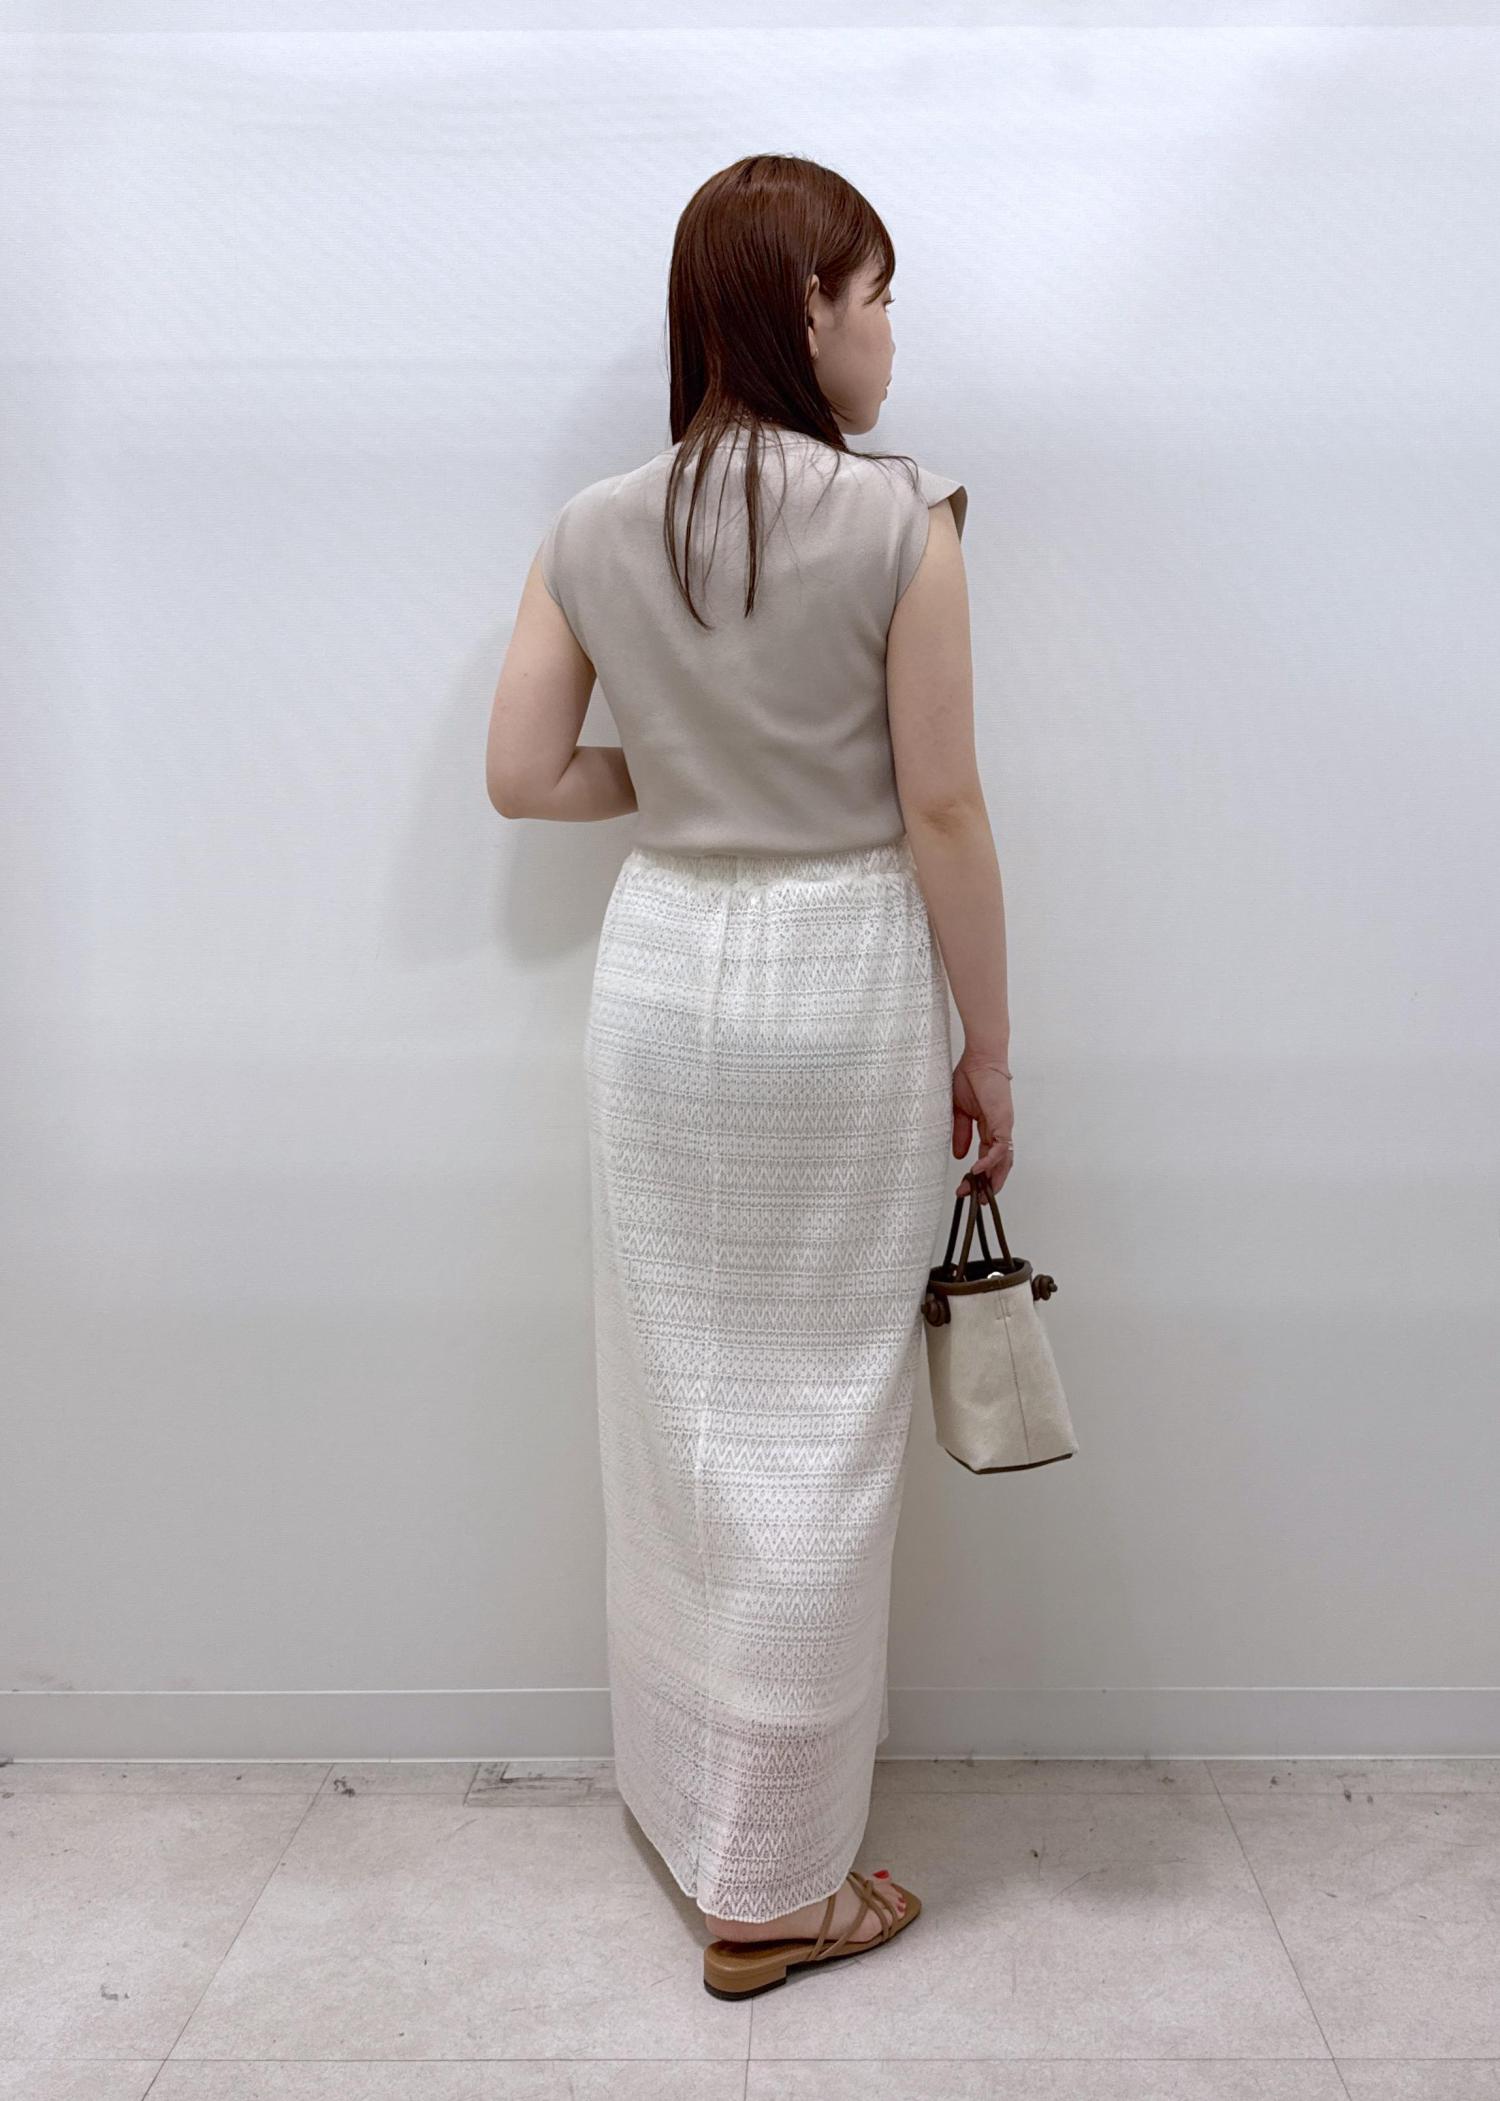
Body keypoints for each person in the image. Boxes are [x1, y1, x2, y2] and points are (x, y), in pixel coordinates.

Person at [485, 153, 1014, 1998]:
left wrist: (690, 769)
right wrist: (991, 1046)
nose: (892, 333)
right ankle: (779, 1882)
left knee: (685, 1417)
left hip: (662, 978)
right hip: (840, 971)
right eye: (879, 295)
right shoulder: (901, 520)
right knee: (824, 1422)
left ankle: (708, 1812)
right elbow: (942, 808)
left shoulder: (591, 524)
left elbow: (525, 776)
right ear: (807, 306)